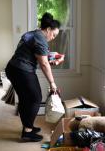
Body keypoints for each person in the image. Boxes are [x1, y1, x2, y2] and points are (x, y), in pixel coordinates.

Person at [5, 12, 64, 142]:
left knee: (26, 99)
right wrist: (52, 83)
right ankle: (27, 131)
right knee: (35, 98)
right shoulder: (40, 38)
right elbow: (43, 63)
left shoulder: (35, 34)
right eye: (54, 34)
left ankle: (28, 127)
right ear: (48, 30)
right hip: (21, 70)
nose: (53, 38)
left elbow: (41, 57)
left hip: (14, 68)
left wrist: (54, 61)